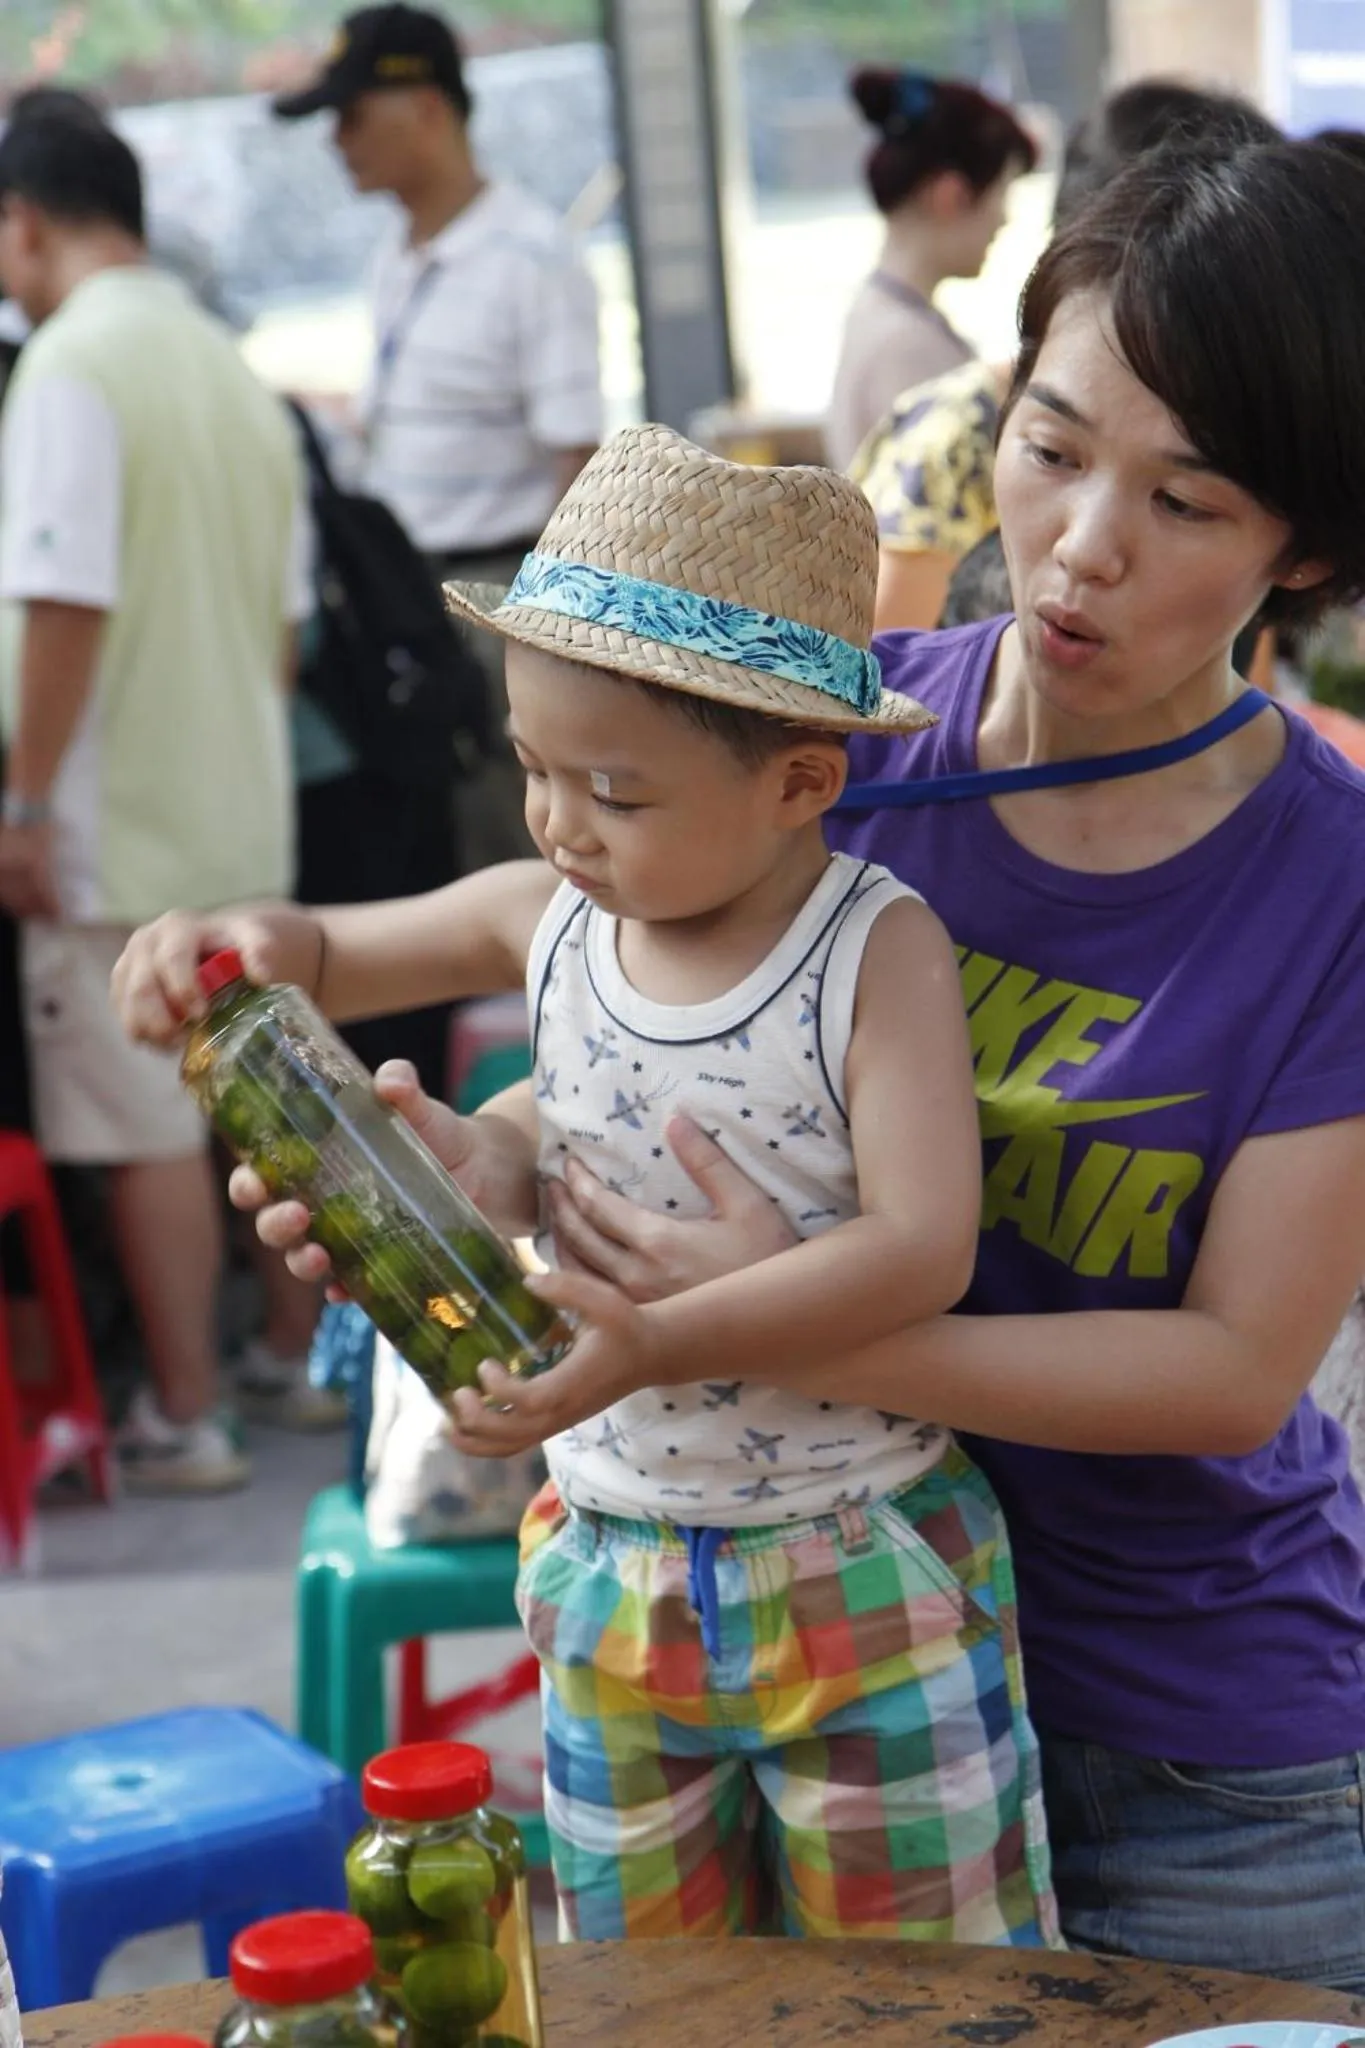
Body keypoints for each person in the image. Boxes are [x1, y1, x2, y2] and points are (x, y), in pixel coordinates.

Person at [113, 421, 1058, 1950]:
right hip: (612, 1561)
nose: (557, 823)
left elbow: (920, 1247)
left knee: (917, 1992)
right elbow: (327, 949)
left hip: (853, 1562)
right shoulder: (545, 918)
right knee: (643, 1991)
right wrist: (234, 946)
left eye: (613, 791)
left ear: (797, 781)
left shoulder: (873, 949)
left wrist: (662, 1341)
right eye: (533, 767)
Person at [0, 115, 313, 1489]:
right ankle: (292, 1361)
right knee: (265, 1106)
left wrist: (24, 806)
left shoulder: (71, 366)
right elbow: (286, 629)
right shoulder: (228, 367)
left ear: (24, 220)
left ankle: (185, 1413)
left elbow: (63, 604)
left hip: (110, 825)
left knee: (142, 1134)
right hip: (241, 810)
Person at [274, 2, 603, 870]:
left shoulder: (531, 256)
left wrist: (547, 636)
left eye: (352, 116)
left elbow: (577, 461)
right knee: (435, 844)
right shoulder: (398, 255)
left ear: (427, 107)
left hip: (500, 593)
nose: (337, 141)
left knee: (513, 842)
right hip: (408, 597)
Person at [854, 79, 1279, 632]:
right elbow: (881, 664)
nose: (1084, 551)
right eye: (1053, 455)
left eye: (1179, 503)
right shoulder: (954, 431)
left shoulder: (1243, 434)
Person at [825, 69, 1034, 474]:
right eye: (1003, 193)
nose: (1005, 219)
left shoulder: (883, 316)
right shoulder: (905, 345)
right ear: (950, 195)